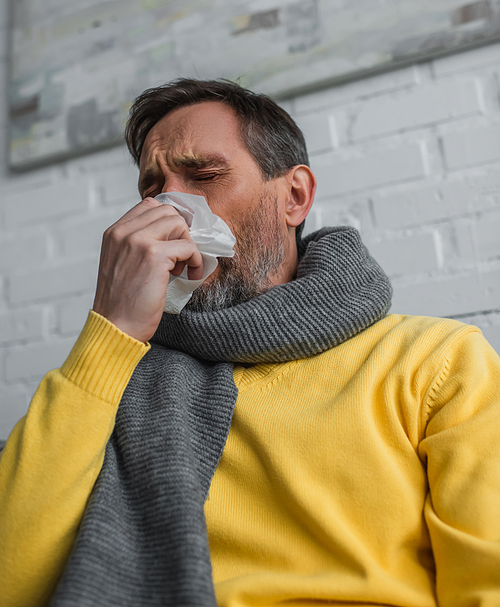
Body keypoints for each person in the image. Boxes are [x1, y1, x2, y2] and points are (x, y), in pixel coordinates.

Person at [1, 78, 499, 607]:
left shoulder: (436, 361)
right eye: (152, 189)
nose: (172, 210)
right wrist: (112, 330)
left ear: (295, 197)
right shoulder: (110, 376)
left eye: (206, 175)